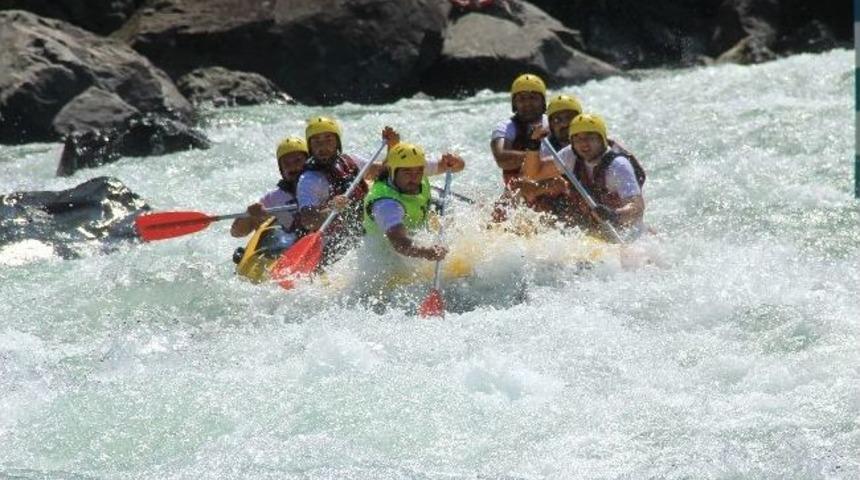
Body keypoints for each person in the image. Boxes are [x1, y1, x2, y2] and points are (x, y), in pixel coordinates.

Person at [521, 113, 647, 240]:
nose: (583, 144)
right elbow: (533, 174)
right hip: (594, 233)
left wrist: (614, 215)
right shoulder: (570, 154)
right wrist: (533, 145)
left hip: (626, 234)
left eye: (590, 137)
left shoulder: (618, 166)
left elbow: (637, 206)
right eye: (577, 139)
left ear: (602, 139)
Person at [363, 142, 465, 261]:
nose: (414, 177)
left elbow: (455, 167)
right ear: (393, 172)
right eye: (407, 172)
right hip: (384, 259)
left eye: (418, 172)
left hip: (415, 237)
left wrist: (456, 161)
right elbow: (400, 243)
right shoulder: (386, 204)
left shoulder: (418, 168)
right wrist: (427, 252)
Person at [489, 74, 568, 221]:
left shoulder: (555, 122)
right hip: (519, 190)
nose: (528, 103)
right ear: (514, 104)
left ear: (543, 102)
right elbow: (502, 159)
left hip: (554, 187)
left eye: (533, 98)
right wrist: (534, 157)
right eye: (522, 99)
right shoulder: (505, 127)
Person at [230, 136, 308, 247]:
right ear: (281, 169)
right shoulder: (273, 198)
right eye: (286, 163)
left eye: (298, 161)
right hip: (292, 246)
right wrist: (250, 215)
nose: (293, 167)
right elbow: (236, 233)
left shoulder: (321, 183)